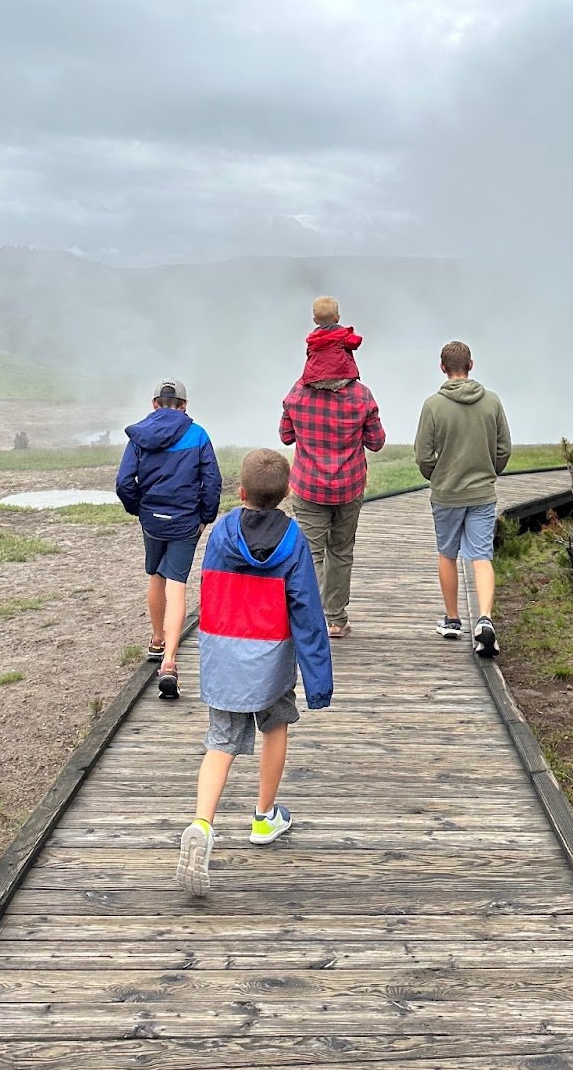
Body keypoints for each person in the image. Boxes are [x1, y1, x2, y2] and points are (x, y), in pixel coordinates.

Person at [176, 448, 333, 897]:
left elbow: (210, 591)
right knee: (276, 723)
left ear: (240, 491)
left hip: (225, 654)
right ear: (286, 495)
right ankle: (264, 817)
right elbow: (306, 610)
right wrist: (318, 681)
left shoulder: (222, 531)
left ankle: (202, 824)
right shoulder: (294, 539)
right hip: (272, 656)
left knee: (220, 742)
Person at [280, 302, 386, 640]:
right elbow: (377, 442)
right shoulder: (361, 397)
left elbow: (285, 436)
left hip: (309, 487)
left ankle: (311, 619)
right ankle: (336, 619)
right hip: (348, 488)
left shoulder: (296, 396)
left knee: (311, 554)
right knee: (341, 552)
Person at [115, 379, 222, 699]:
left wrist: (139, 509)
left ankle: (157, 639)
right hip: (185, 522)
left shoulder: (137, 435)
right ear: (184, 405)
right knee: (177, 584)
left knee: (155, 575)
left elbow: (124, 482)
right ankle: (171, 663)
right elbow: (212, 482)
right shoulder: (198, 434)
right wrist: (205, 517)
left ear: (154, 403)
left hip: (152, 520)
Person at [414, 340, 512, 658]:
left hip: (447, 493)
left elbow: (423, 455)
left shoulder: (433, 405)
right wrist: (490, 471)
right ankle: (484, 618)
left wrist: (436, 475)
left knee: (448, 554)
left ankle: (453, 620)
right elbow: (503, 449)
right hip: (482, 492)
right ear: (471, 365)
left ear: (442, 368)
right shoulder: (492, 402)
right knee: (481, 556)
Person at [302, 294, 363, 385]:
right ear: (337, 318)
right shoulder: (343, 334)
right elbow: (355, 342)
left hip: (316, 380)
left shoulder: (312, 338)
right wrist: (351, 334)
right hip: (340, 378)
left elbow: (309, 353)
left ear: (315, 321)